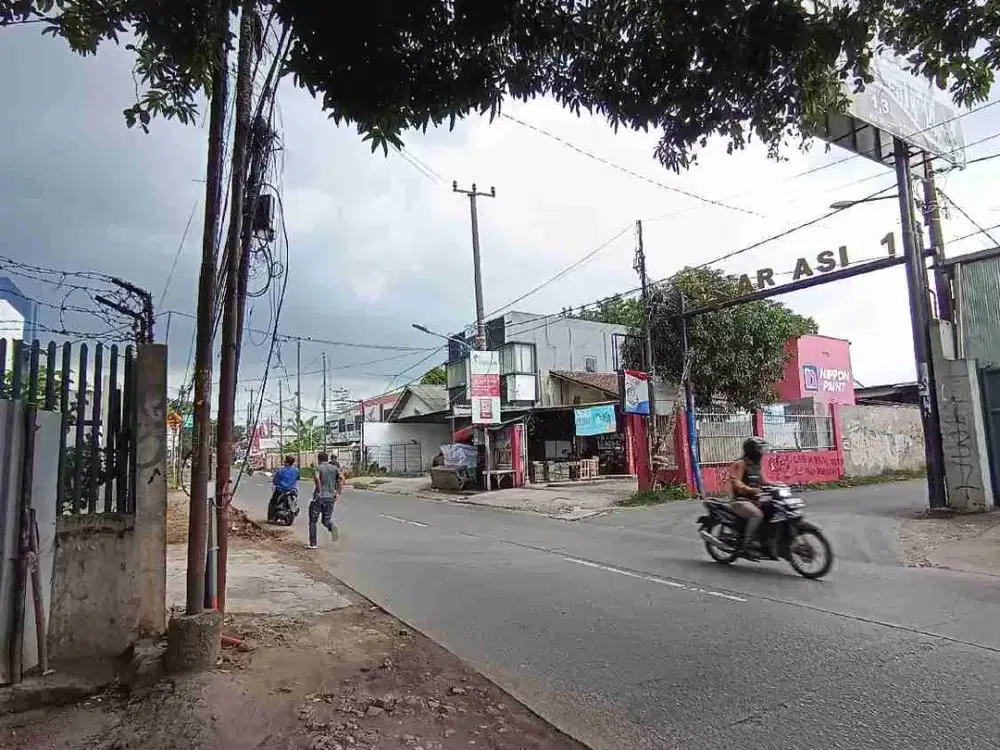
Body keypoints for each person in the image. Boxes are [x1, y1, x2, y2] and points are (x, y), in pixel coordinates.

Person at [728, 437, 770, 555]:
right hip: (740, 501)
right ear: (753, 451)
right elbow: (737, 482)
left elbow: (764, 481)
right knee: (757, 515)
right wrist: (750, 489)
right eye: (760, 450)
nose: (762, 453)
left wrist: (780, 485)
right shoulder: (741, 464)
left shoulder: (756, 465)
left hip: (754, 500)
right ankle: (747, 542)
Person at [306, 451, 343, 549]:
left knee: (313, 520)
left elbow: (317, 478)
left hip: (319, 498)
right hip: (330, 497)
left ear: (319, 459)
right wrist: (338, 492)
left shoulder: (318, 468)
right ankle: (331, 526)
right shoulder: (334, 468)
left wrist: (319, 490)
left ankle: (313, 543)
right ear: (327, 459)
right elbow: (341, 479)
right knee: (326, 520)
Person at [268, 455, 299, 522]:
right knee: (295, 499)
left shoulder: (281, 470)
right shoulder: (296, 470)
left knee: (273, 501)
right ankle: (295, 508)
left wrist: (275, 483)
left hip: (281, 489)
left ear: (286, 461)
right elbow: (296, 479)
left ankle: (271, 517)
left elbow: (276, 480)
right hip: (293, 490)